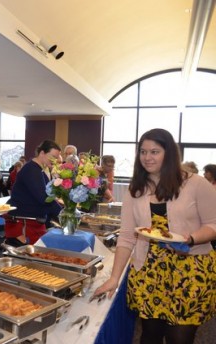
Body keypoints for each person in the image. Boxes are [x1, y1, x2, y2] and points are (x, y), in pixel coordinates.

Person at [93, 128, 216, 344]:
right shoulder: (136, 189)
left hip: (190, 270)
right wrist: (114, 278)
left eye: (155, 151)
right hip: (149, 271)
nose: (147, 157)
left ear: (169, 153)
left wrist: (191, 238)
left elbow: (213, 224)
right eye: (143, 151)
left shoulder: (196, 183)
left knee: (180, 337)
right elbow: (127, 238)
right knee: (149, 335)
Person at [5, 140, 62, 246]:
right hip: (24, 224)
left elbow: (48, 197)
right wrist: (63, 215)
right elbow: (44, 199)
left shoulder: (38, 169)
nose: (55, 160)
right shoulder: (32, 170)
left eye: (57, 157)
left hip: (32, 222)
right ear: (42, 153)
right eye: (53, 157)